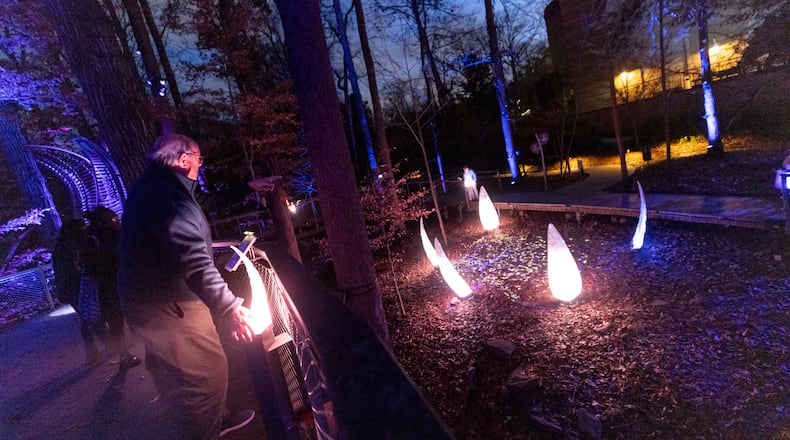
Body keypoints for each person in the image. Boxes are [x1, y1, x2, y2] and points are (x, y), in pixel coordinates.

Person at [118, 133, 277, 439]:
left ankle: (215, 419)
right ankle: (203, 429)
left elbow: (202, 203)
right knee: (207, 375)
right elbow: (194, 261)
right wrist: (232, 307)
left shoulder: (156, 188)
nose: (200, 166)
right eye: (199, 159)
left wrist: (247, 187)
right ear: (183, 159)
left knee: (176, 374)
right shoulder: (169, 200)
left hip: (146, 299)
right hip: (168, 303)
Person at [83, 206, 140, 369]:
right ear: (102, 221)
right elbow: (93, 267)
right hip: (109, 286)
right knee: (116, 321)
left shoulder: (114, 235)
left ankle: (148, 344)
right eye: (113, 219)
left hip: (121, 282)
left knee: (133, 315)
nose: (116, 221)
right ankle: (123, 354)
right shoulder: (93, 239)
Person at [52, 218, 104, 364]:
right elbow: (73, 268)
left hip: (68, 288)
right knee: (92, 316)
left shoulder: (60, 246)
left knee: (85, 317)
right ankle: (110, 345)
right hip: (78, 286)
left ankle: (92, 353)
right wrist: (87, 276)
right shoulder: (72, 245)